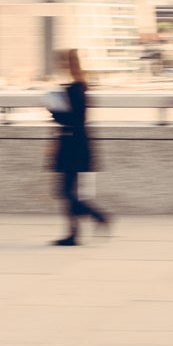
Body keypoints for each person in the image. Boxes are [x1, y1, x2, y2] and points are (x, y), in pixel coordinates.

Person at [49, 49, 111, 246]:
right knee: (68, 191)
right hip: (76, 144)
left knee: (65, 192)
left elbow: (74, 119)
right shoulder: (79, 87)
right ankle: (75, 232)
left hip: (72, 146)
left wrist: (53, 111)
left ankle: (97, 217)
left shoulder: (75, 89)